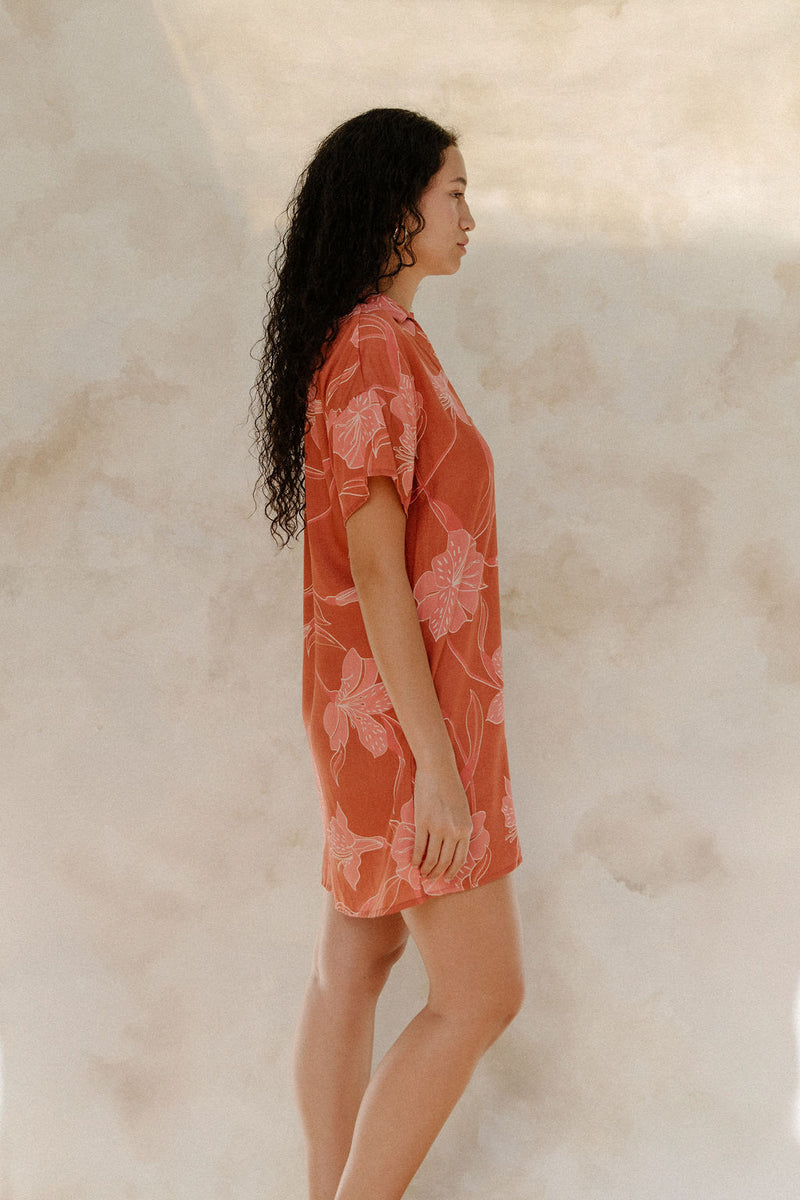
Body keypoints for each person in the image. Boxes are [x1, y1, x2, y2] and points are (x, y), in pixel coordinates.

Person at [252, 107, 524, 1200]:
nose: (470, 216)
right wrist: (439, 768)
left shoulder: (374, 338)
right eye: (453, 191)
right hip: (402, 721)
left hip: (363, 709)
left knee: (357, 959)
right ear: (393, 204)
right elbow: (375, 574)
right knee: (481, 996)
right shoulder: (372, 345)